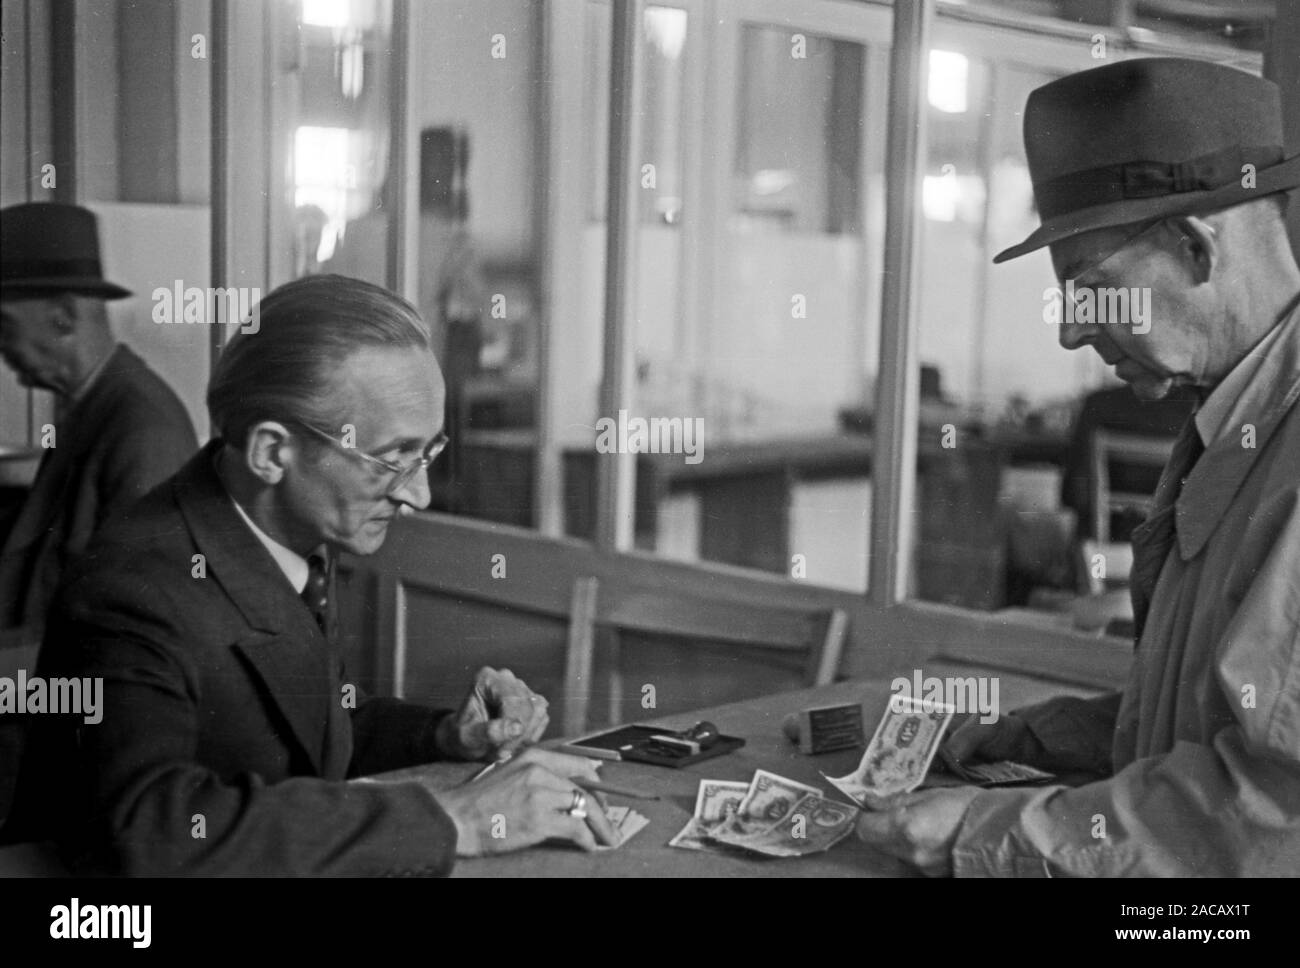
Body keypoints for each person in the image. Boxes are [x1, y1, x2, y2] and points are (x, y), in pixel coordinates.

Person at [6, 274, 614, 874]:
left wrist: (445, 737)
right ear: (272, 452)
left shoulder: (284, 532)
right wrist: (456, 818)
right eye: (394, 458)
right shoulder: (132, 589)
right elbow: (151, 830)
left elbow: (306, 726)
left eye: (428, 453)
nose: (420, 495)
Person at [857, 58, 1300, 876]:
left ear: (1194, 247)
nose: (1070, 334)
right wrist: (1035, 737)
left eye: (1091, 290)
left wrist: (976, 832)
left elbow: (1268, 821)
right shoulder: (1239, 411)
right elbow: (1216, 728)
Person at [0, 203, 198, 644]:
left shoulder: (143, 428)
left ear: (63, 317)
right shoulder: (93, 405)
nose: (1, 348)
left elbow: (138, 624)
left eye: (5, 326)